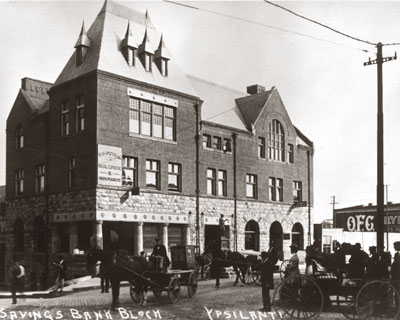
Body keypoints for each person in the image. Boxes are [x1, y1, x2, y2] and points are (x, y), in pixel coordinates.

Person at [260, 243, 279, 312]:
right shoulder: (266, 262)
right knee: (265, 294)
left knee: (266, 294)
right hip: (265, 281)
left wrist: (268, 283)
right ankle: (266, 307)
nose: (261, 258)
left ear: (264, 257)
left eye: (261, 257)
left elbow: (268, 274)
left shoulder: (268, 263)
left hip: (267, 281)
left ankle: (267, 308)